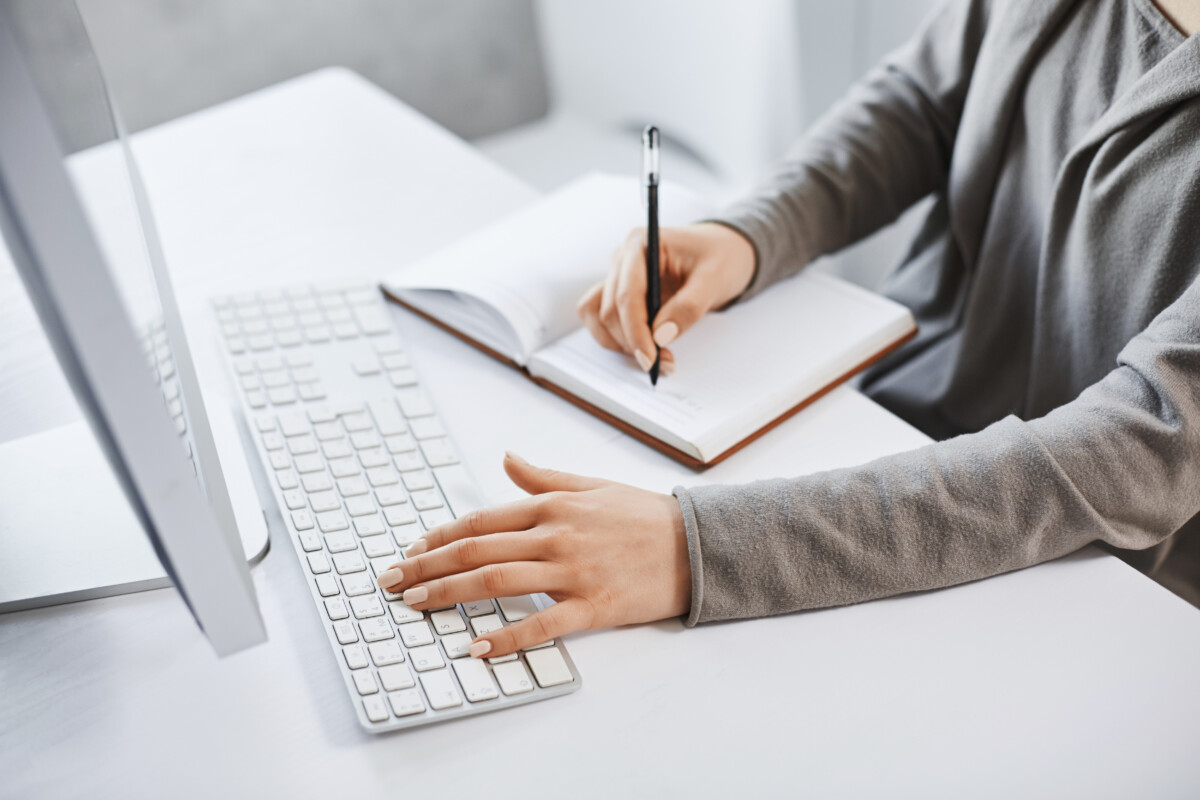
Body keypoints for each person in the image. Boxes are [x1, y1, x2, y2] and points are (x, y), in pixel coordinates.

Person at [378, 0, 1200, 659]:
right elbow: (919, 105)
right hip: (882, 448)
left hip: (1098, 591)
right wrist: (749, 236)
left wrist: (693, 547)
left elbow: (1136, 447)